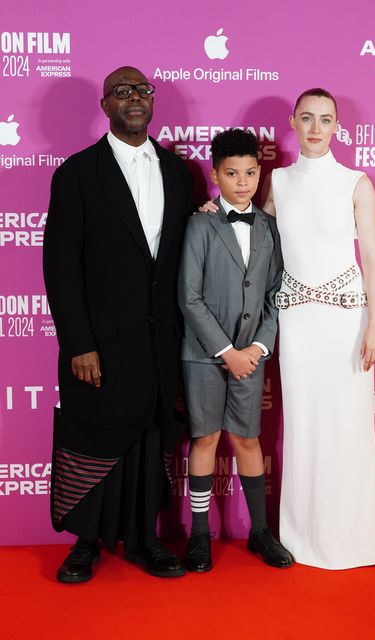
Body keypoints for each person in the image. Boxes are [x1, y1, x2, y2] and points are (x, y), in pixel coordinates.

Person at [43, 66, 194, 582]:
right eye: (122, 92)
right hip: (100, 342)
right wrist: (78, 343)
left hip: (159, 341)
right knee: (95, 435)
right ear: (106, 105)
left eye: (142, 91)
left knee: (150, 438)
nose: (135, 99)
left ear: (152, 102)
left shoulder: (178, 174)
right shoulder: (77, 174)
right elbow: (60, 268)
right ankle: (85, 545)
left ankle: (147, 541)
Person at [262, 88, 375, 569]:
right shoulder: (278, 181)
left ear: (337, 126)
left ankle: (351, 541)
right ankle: (302, 537)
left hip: (346, 322)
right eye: (307, 118)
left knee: (348, 425)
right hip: (297, 324)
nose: (315, 128)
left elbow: (372, 263)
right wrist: (214, 212)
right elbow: (254, 230)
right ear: (292, 121)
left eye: (325, 119)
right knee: (304, 425)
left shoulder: (357, 182)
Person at [178, 129, 292, 572]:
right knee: (205, 438)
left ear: (259, 172)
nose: (242, 182)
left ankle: (259, 531)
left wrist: (259, 346)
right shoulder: (199, 224)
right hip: (204, 354)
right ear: (214, 175)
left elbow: (276, 293)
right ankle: (200, 534)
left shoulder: (269, 229)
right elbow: (189, 297)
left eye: (249, 173)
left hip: (252, 355)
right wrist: (227, 351)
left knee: (248, 439)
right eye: (231, 174)